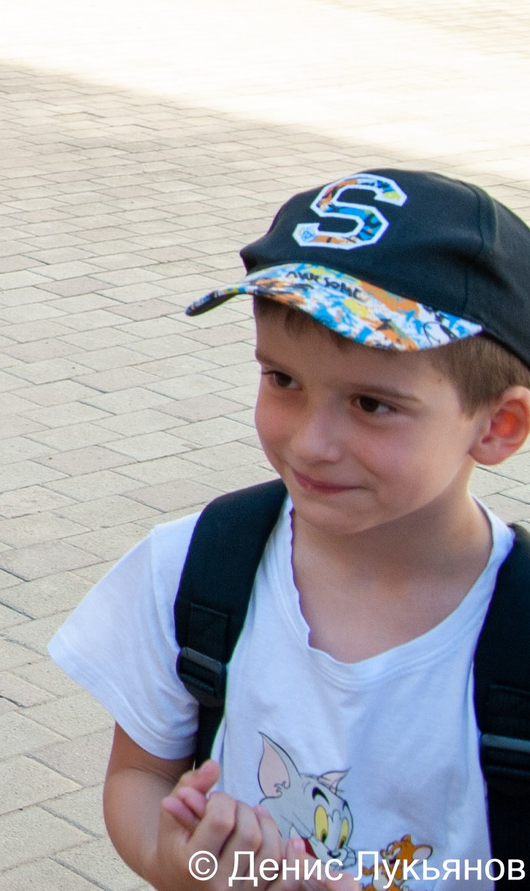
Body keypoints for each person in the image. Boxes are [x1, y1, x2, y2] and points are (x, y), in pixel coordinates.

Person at [49, 170, 530, 880]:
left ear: (498, 426)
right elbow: (140, 778)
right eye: (282, 380)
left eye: (371, 403)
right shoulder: (195, 570)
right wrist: (182, 862)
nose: (310, 442)